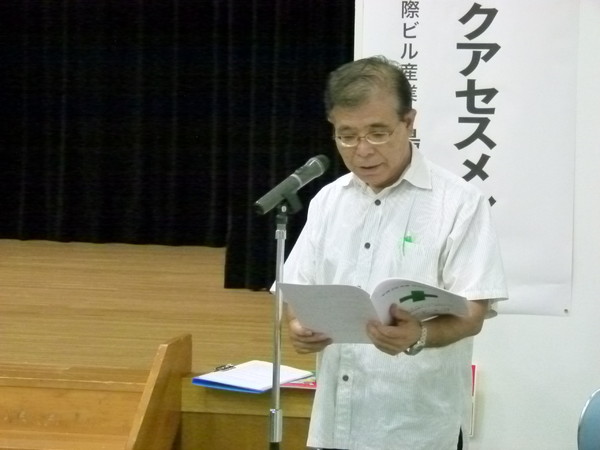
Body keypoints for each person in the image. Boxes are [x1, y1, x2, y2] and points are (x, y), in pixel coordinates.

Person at [281, 55, 508, 450]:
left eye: (378, 133)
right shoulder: (328, 201)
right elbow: (295, 293)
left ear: (408, 121)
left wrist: (419, 334)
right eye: (347, 136)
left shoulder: (459, 203)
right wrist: (300, 327)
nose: (362, 150)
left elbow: (473, 312)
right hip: (335, 425)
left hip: (418, 430)